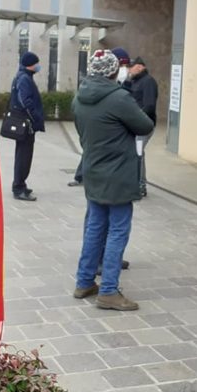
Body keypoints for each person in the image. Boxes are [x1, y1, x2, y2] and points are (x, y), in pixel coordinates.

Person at [72, 49, 154, 310]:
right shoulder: (119, 98)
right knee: (118, 229)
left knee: (95, 226)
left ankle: (84, 281)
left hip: (93, 170)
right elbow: (145, 126)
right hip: (118, 174)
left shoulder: (79, 97)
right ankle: (108, 290)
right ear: (111, 71)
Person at [68, 46, 132, 187]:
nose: (124, 69)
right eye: (121, 65)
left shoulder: (125, 87)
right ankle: (81, 176)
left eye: (127, 65)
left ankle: (83, 176)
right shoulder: (107, 91)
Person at [9, 51, 45, 200]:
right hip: (26, 124)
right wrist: (35, 117)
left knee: (23, 155)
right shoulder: (24, 78)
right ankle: (18, 188)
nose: (38, 66)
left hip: (25, 123)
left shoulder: (23, 76)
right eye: (36, 63)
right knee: (24, 156)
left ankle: (20, 184)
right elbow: (25, 101)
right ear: (31, 64)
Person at [129, 56, 158, 197]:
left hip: (144, 125)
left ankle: (141, 185)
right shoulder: (135, 82)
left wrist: (137, 118)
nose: (129, 69)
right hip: (136, 124)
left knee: (138, 152)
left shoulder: (148, 82)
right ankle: (137, 183)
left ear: (140, 67)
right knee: (136, 152)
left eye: (132, 66)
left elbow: (149, 105)